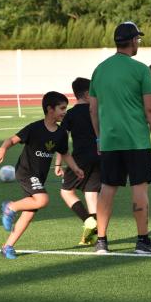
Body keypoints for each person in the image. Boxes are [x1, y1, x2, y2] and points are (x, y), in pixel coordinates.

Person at [89, 21, 151, 255]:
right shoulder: (141, 69)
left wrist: (100, 138)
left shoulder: (100, 69)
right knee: (139, 189)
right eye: (138, 39)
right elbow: (150, 109)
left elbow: (93, 109)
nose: (138, 43)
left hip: (110, 142)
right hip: (137, 141)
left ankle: (101, 241)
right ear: (132, 41)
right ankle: (142, 241)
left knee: (107, 189)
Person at [0, 92, 84, 259]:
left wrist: (75, 168)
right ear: (50, 109)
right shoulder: (34, 128)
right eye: (62, 108)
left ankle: (8, 246)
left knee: (29, 213)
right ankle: (10, 207)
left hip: (38, 177)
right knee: (42, 199)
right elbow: (11, 140)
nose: (65, 111)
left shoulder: (61, 133)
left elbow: (65, 153)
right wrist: (2, 149)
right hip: (26, 172)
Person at [54, 78, 100, 246]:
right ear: (87, 94)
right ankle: (96, 237)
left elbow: (61, 140)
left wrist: (58, 163)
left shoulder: (71, 114)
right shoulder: (97, 110)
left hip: (79, 159)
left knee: (66, 192)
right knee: (91, 193)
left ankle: (88, 220)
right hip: (100, 156)